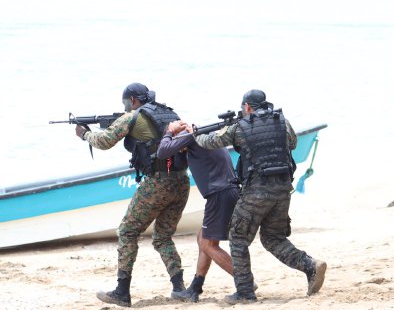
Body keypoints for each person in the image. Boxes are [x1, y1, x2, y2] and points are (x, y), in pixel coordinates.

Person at [194, 89, 326, 304]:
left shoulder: (240, 127)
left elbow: (210, 143)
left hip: (256, 191)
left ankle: (245, 292)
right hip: (283, 189)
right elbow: (292, 143)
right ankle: (310, 265)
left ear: (246, 107)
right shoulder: (282, 121)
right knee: (274, 238)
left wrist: (194, 133)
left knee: (237, 239)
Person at [74, 83, 190, 307]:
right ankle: (179, 289)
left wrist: (85, 134)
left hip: (158, 183)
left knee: (127, 232)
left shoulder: (131, 118)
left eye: (125, 103)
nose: (126, 107)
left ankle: (122, 291)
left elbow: (104, 141)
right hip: (181, 181)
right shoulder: (170, 113)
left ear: (134, 100)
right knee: (163, 237)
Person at [156, 120, 241, 302]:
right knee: (203, 238)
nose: (178, 148)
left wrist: (170, 132)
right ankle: (195, 287)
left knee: (208, 245)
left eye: (177, 143)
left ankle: (244, 282)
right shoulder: (203, 136)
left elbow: (163, 152)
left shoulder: (189, 137)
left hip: (219, 194)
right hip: (227, 191)